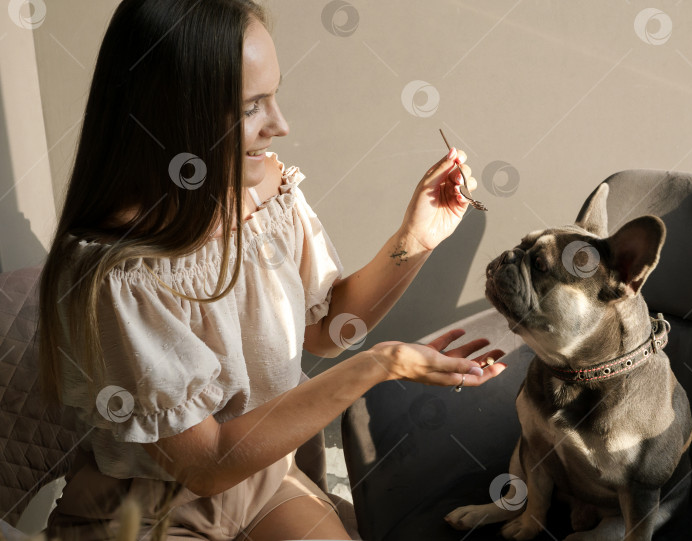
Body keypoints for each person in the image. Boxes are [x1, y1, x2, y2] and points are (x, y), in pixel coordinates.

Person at [37, 1, 506, 539]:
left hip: (262, 475)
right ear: (172, 117)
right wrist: (378, 365)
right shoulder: (118, 274)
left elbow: (328, 329)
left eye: (273, 95)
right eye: (251, 107)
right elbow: (207, 464)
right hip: (144, 509)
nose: (281, 126)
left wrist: (417, 239)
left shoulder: (265, 191)